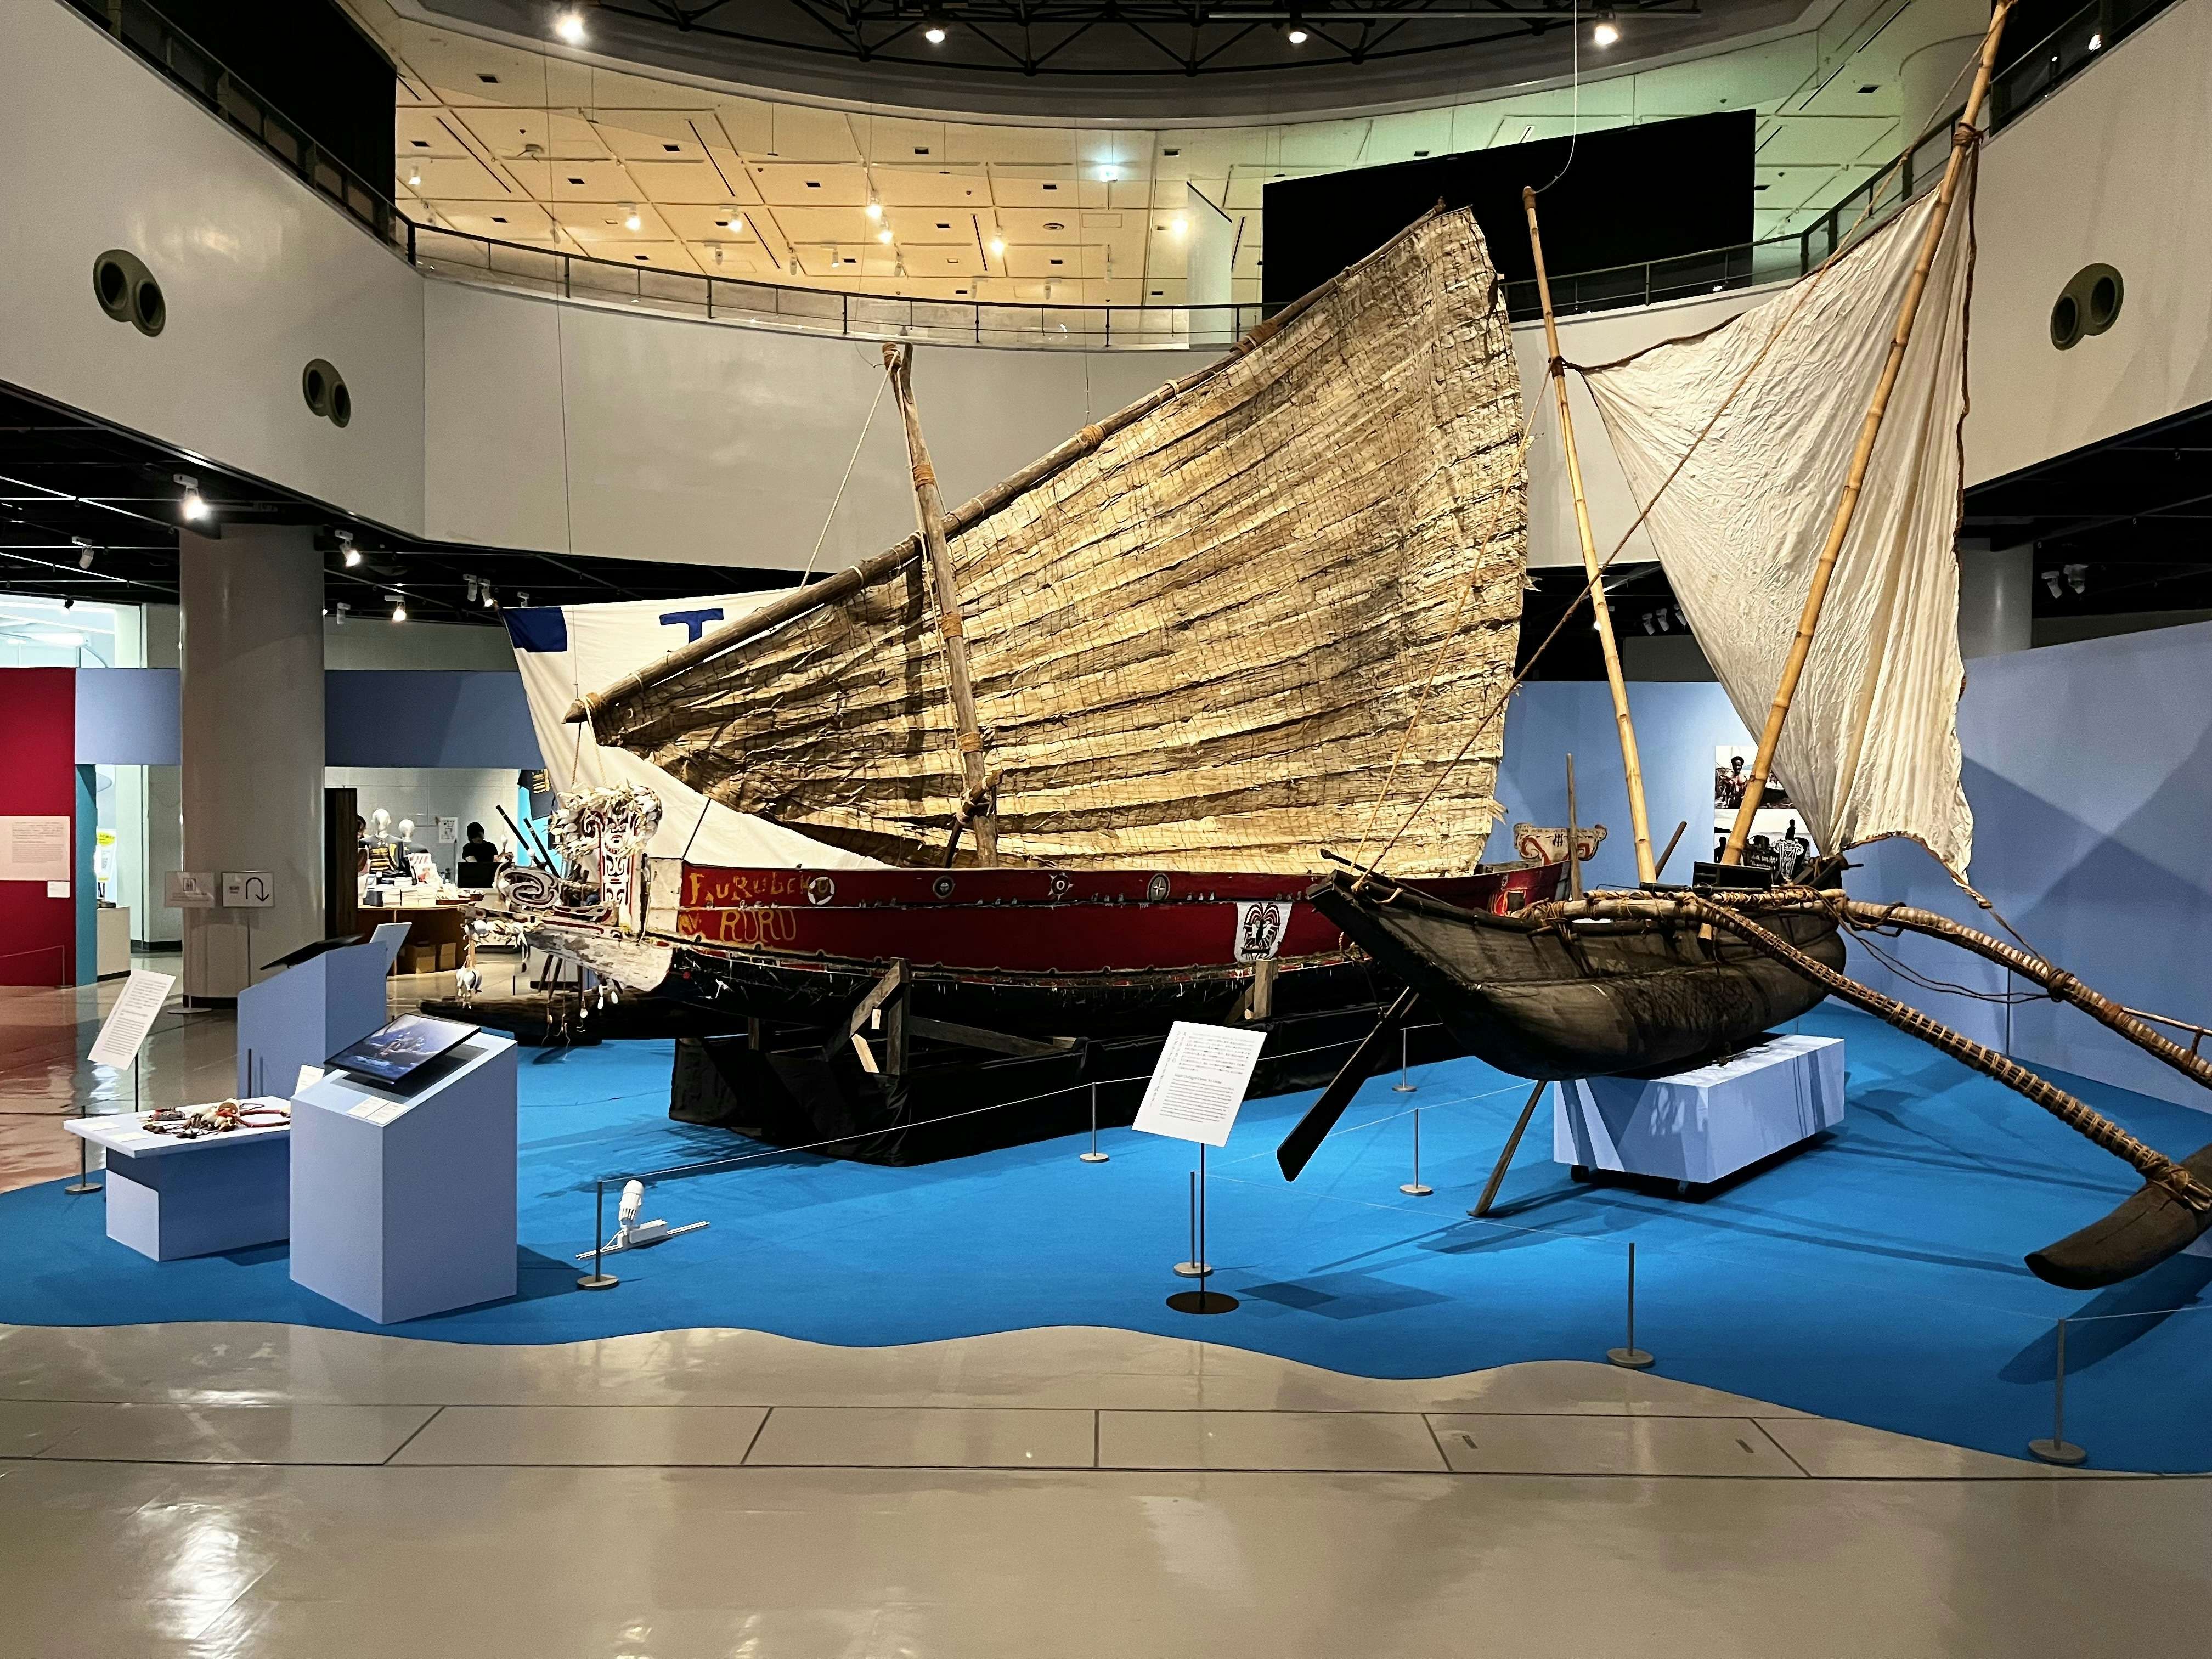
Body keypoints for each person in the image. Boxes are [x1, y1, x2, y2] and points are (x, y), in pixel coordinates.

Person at [456, 821, 499, 890]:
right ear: (471, 837)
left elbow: (496, 862)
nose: (479, 838)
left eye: (480, 836)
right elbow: (474, 864)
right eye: (476, 836)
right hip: (474, 880)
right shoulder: (468, 848)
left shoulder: (491, 846)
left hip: (490, 879)